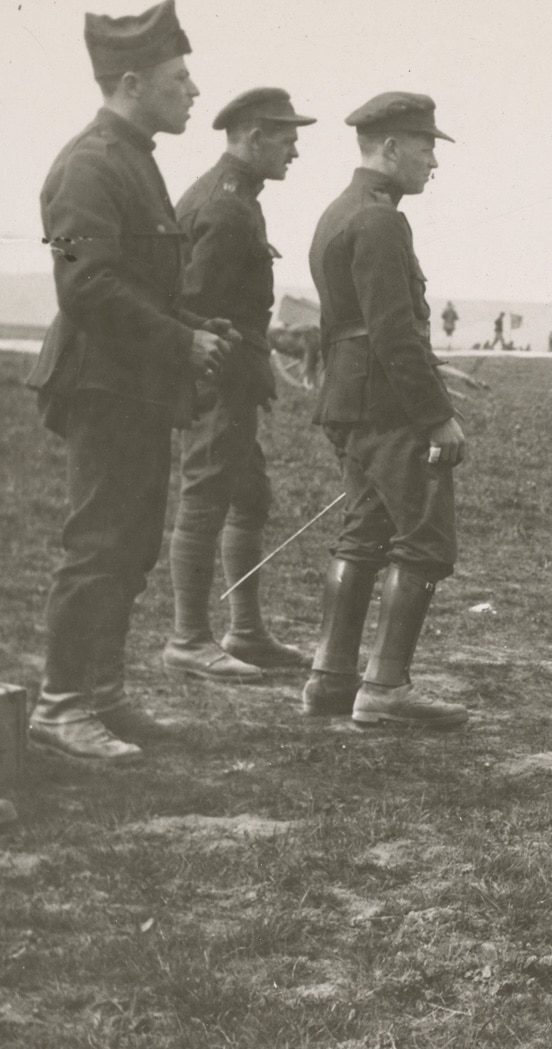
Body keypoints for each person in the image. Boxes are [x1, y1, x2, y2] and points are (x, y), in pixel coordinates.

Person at [25, 0, 236, 762]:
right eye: (180, 77)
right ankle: (61, 705)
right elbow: (87, 288)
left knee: (133, 542)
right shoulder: (90, 163)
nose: (193, 91)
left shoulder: (134, 156)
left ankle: (102, 694)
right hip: (102, 384)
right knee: (99, 543)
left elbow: (138, 282)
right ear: (132, 79)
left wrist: (196, 330)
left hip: (135, 383)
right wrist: (181, 341)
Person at [299, 92, 468, 729]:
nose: (433, 162)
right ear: (391, 147)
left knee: (364, 532)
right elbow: (394, 331)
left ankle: (330, 680)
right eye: (426, 148)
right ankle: (386, 690)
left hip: (351, 399)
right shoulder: (379, 221)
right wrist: (436, 416)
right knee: (422, 539)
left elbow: (343, 329)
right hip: (390, 406)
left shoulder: (339, 212)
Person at [163, 87, 317, 683]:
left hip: (234, 374)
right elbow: (193, 306)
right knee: (205, 497)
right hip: (218, 379)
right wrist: (230, 365)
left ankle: (245, 632)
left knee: (249, 496)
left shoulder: (233, 197)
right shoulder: (226, 207)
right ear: (253, 138)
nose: (295, 151)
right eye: (287, 138)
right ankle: (187, 639)